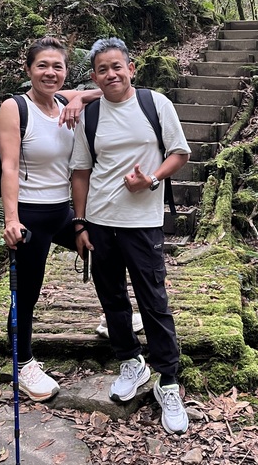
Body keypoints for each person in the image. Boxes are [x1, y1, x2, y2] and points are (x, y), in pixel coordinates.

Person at [70, 37, 191, 436]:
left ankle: (168, 380)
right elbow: (81, 172)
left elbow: (179, 153)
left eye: (117, 66)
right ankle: (131, 361)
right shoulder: (90, 116)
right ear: (94, 77)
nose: (111, 74)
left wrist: (150, 179)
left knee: (153, 299)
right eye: (102, 70)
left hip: (142, 221)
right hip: (100, 221)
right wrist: (80, 224)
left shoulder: (155, 104)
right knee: (112, 298)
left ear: (131, 68)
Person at [0, 36, 101, 402]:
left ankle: (114, 316)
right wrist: (11, 220)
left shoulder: (61, 101)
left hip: (62, 211)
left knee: (103, 247)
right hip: (30, 214)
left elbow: (103, 90)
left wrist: (76, 98)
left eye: (58, 66)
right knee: (26, 292)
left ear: (66, 72)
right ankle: (23, 364)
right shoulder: (15, 107)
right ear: (28, 69)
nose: (50, 73)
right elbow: (9, 167)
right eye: (42, 65)